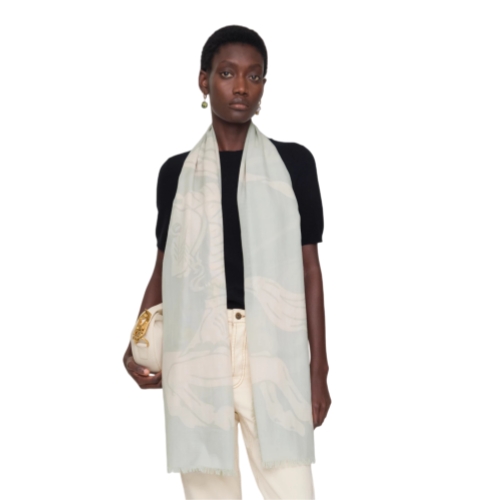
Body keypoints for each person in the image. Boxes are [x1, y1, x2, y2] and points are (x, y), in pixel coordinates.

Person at [123, 24, 331, 500]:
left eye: (254, 76)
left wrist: (318, 370)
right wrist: (137, 341)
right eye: (227, 73)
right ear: (204, 81)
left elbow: (310, 271)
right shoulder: (176, 173)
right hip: (195, 347)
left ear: (264, 86)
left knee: (294, 491)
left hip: (274, 350)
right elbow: (164, 267)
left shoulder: (294, 164)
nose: (241, 87)